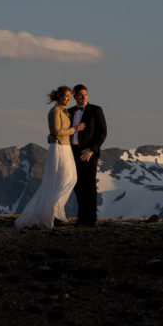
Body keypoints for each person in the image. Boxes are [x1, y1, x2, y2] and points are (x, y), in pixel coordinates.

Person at [14, 85, 83, 228]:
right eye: (66, 96)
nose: (69, 99)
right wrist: (75, 129)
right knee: (62, 180)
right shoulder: (55, 111)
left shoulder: (64, 111)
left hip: (65, 148)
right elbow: (56, 131)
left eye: (70, 96)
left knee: (69, 179)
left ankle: (55, 213)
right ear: (59, 96)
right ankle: (53, 214)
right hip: (59, 148)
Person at [68, 84, 107, 227]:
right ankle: (81, 219)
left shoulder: (96, 110)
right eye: (80, 95)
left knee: (89, 186)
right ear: (74, 97)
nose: (83, 97)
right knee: (78, 186)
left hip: (89, 153)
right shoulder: (69, 112)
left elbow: (102, 132)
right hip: (73, 153)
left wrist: (92, 149)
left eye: (85, 94)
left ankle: (91, 220)